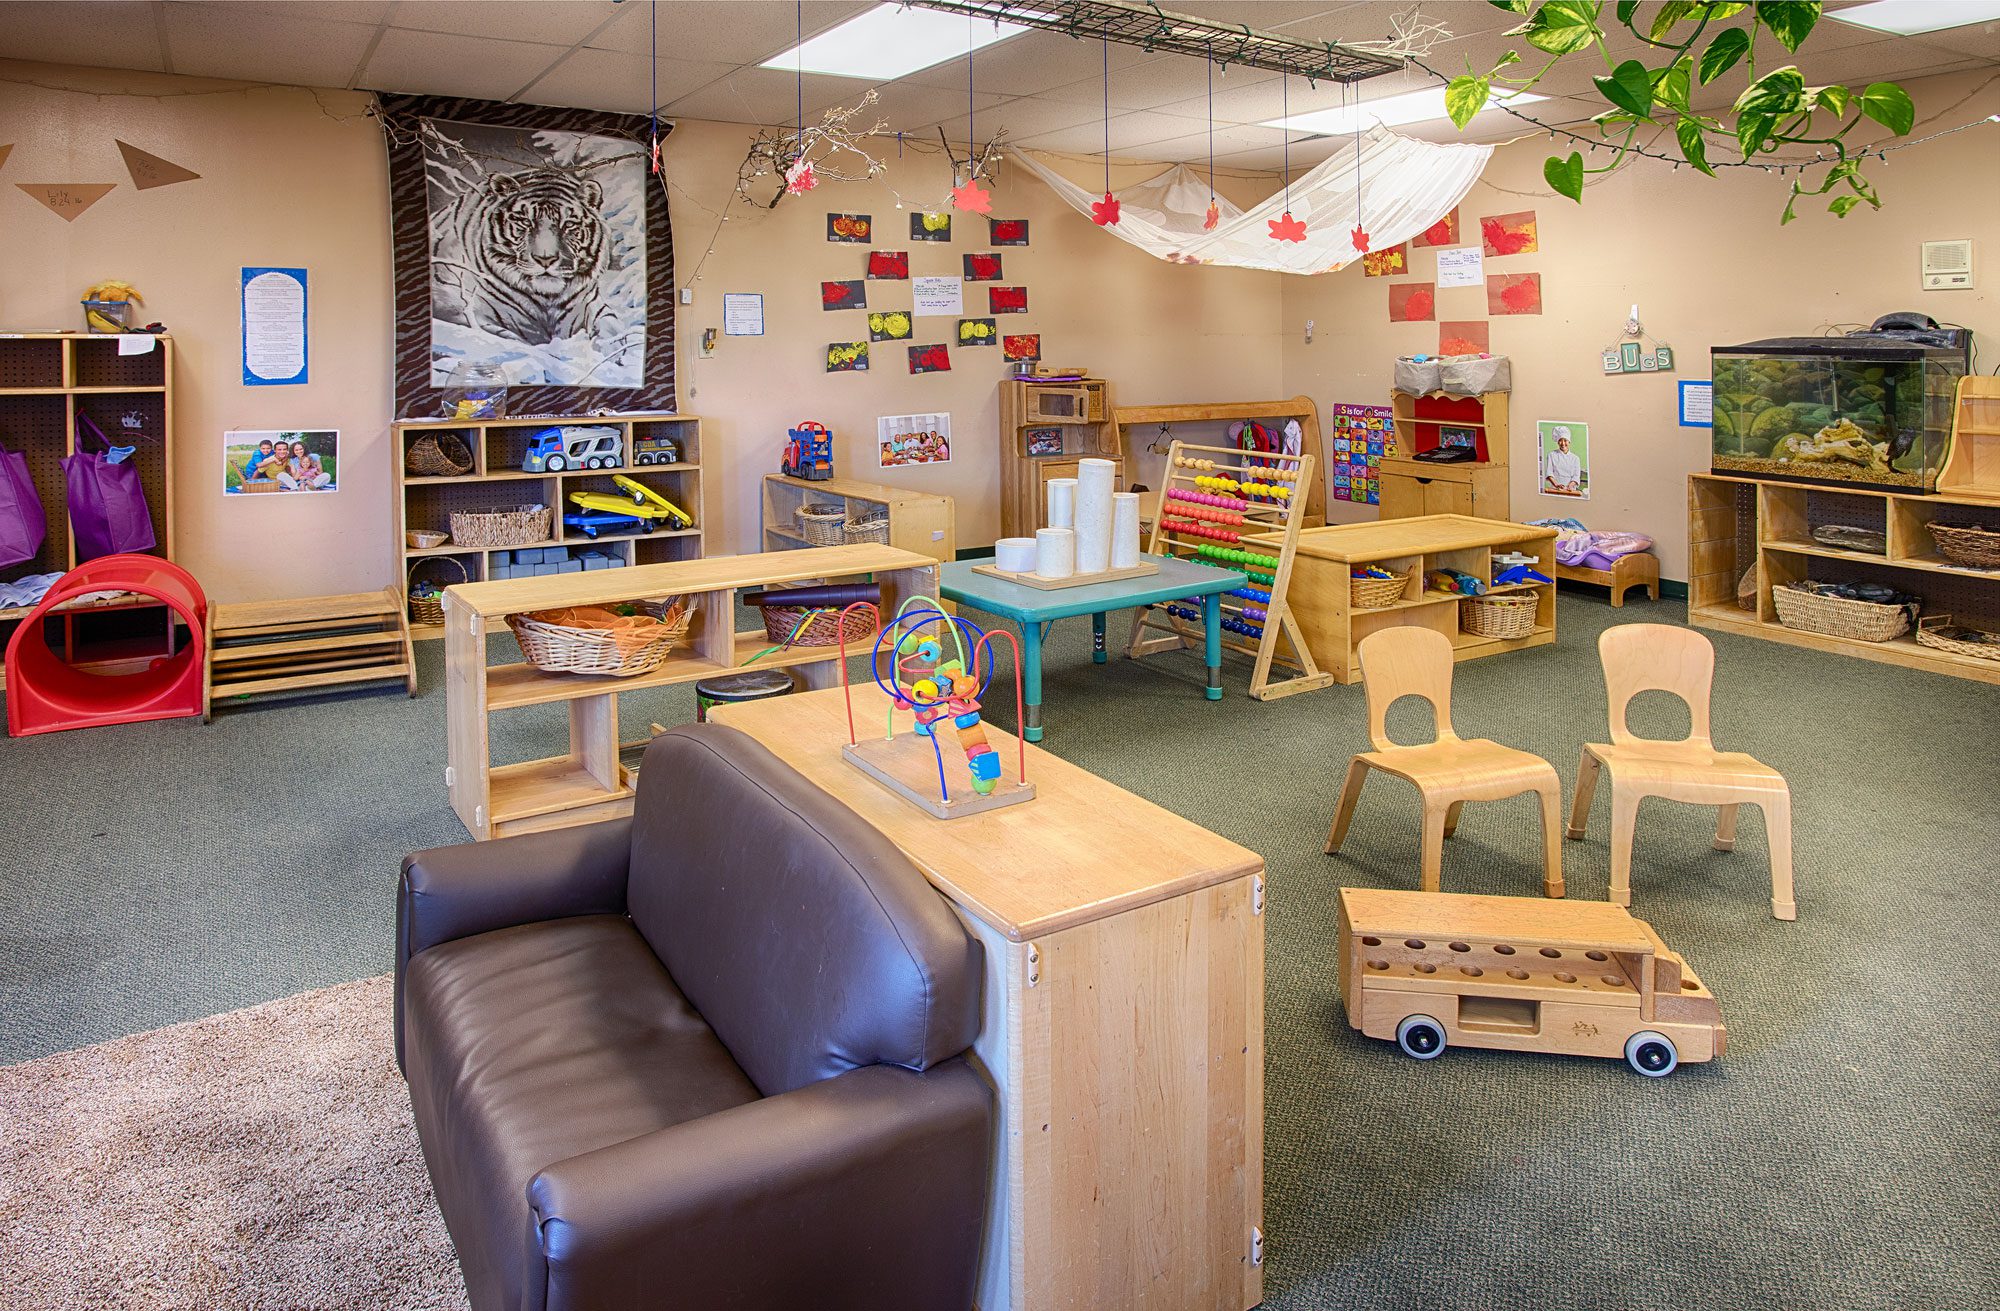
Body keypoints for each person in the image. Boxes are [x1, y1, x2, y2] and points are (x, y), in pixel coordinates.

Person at [1543, 427, 1583, 495]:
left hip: (1570, 490)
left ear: (1569, 441)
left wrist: (1570, 486)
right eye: (1560, 440)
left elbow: (1576, 476)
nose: (1563, 443)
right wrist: (1556, 485)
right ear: (1558, 442)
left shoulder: (1576, 458)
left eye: (1565, 440)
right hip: (1555, 489)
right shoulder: (1551, 455)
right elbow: (1549, 473)